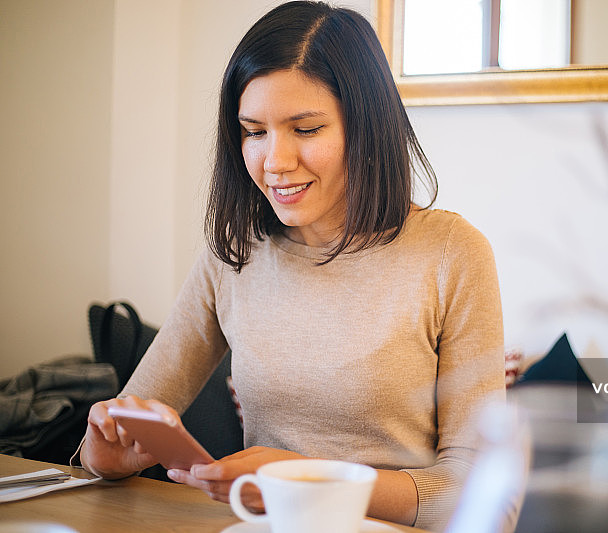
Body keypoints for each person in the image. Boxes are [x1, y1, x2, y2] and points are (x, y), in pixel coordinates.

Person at [76, 2, 505, 530]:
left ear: (365, 127)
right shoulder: (232, 254)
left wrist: (308, 478)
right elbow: (132, 423)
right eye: (254, 131)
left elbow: (485, 497)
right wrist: (106, 456)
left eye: (305, 130)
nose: (274, 161)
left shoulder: (452, 253)